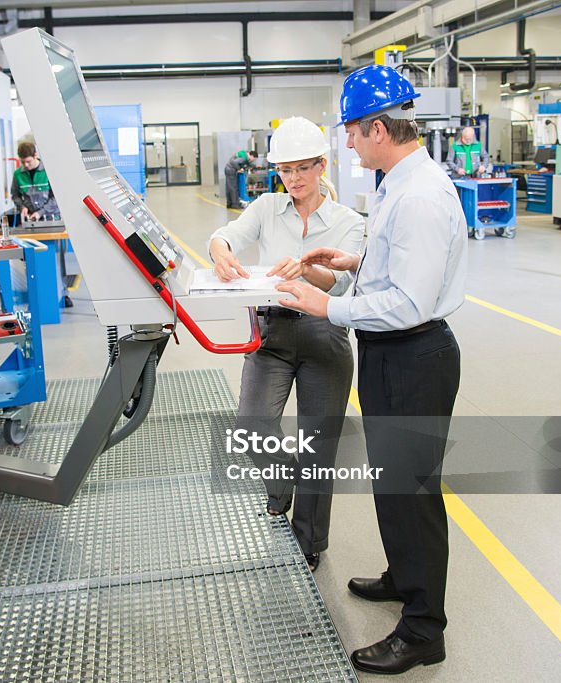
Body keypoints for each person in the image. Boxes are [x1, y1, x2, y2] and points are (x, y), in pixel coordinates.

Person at [275, 64, 465, 675]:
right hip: (392, 353)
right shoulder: (394, 184)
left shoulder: (419, 196)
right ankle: (405, 577)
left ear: (379, 128)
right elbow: (395, 268)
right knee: (394, 484)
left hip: (415, 354)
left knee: (412, 494)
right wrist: (352, 260)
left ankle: (422, 630)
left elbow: (410, 301)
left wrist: (327, 303)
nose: (348, 142)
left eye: (353, 131)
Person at [209, 117, 364, 572]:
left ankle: (309, 540)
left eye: (302, 169)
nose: (293, 180)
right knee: (253, 426)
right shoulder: (266, 207)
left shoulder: (347, 221)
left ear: (322, 165)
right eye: (285, 170)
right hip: (272, 331)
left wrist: (306, 271)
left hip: (324, 332)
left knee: (319, 443)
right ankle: (283, 486)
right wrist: (221, 252)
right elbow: (226, 235)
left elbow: (338, 283)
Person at [11, 140, 59, 223]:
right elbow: (15, 196)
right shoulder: (17, 174)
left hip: (51, 218)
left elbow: (57, 197)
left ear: (35, 155)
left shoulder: (49, 171)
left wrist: (40, 213)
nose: (26, 165)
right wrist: (22, 207)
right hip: (30, 220)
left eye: (28, 161)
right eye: (23, 162)